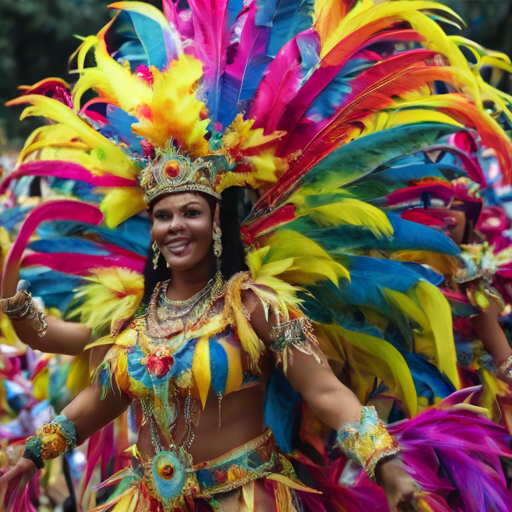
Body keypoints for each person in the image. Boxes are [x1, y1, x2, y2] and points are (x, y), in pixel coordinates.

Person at [1, 1, 512, 511]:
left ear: (217, 224)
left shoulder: (254, 306)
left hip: (242, 497)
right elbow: (101, 400)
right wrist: (32, 452)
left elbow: (325, 391)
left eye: (191, 213)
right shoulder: (141, 318)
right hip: (147, 499)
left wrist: (387, 463)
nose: (176, 226)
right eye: (163, 216)